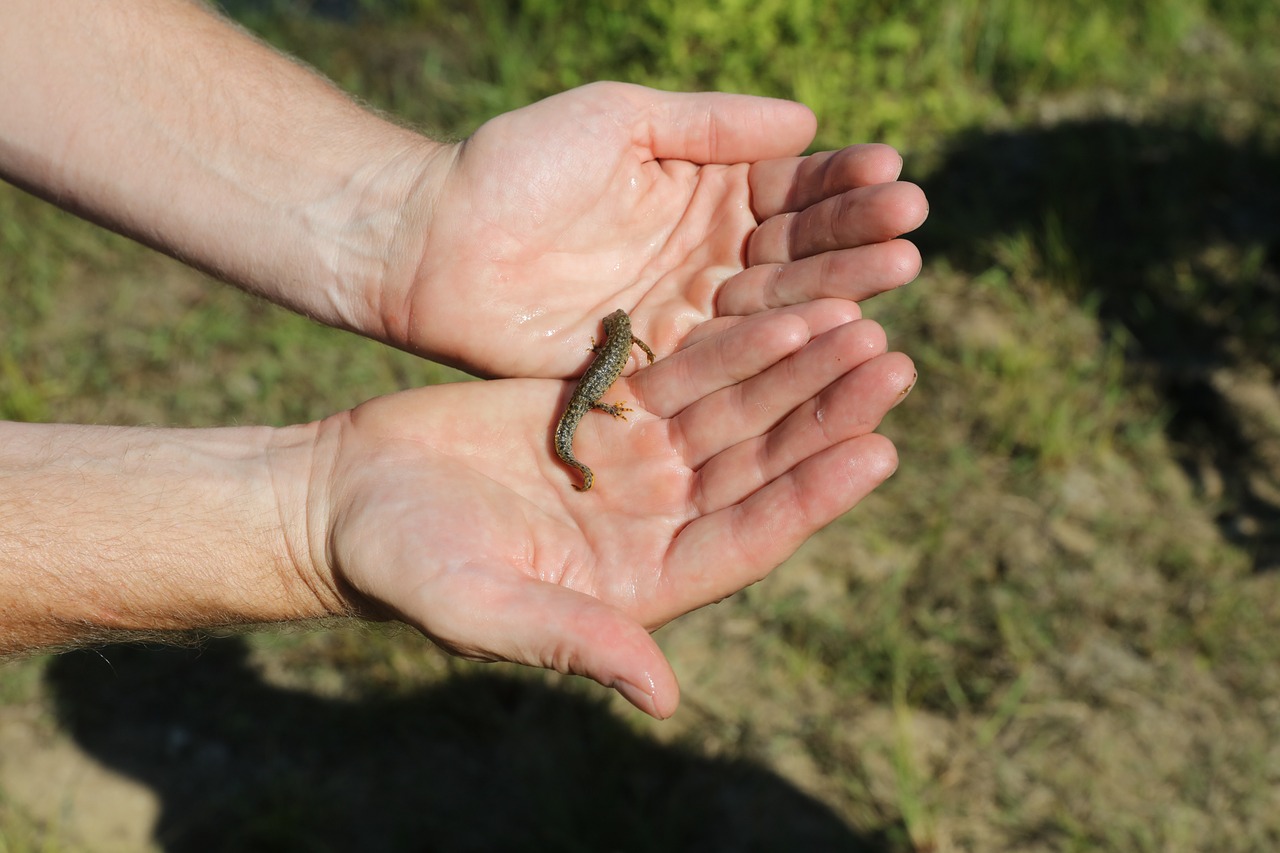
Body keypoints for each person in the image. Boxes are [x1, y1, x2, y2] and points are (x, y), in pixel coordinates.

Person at [0, 0, 927, 719]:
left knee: (582, 418)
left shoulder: (609, 353)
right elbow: (603, 368)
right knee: (578, 421)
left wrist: (407, 215)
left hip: (588, 398)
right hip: (585, 403)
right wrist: (303, 516)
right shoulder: (609, 355)